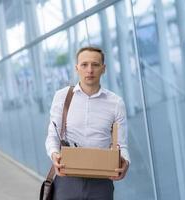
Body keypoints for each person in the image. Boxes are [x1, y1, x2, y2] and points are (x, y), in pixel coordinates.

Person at [45, 46, 130, 200]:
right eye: (84, 65)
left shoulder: (116, 103)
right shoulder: (61, 97)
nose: (89, 70)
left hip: (101, 181)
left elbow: (121, 145)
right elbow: (52, 136)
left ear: (103, 69)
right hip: (67, 178)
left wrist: (125, 162)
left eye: (95, 65)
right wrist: (54, 155)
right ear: (77, 68)